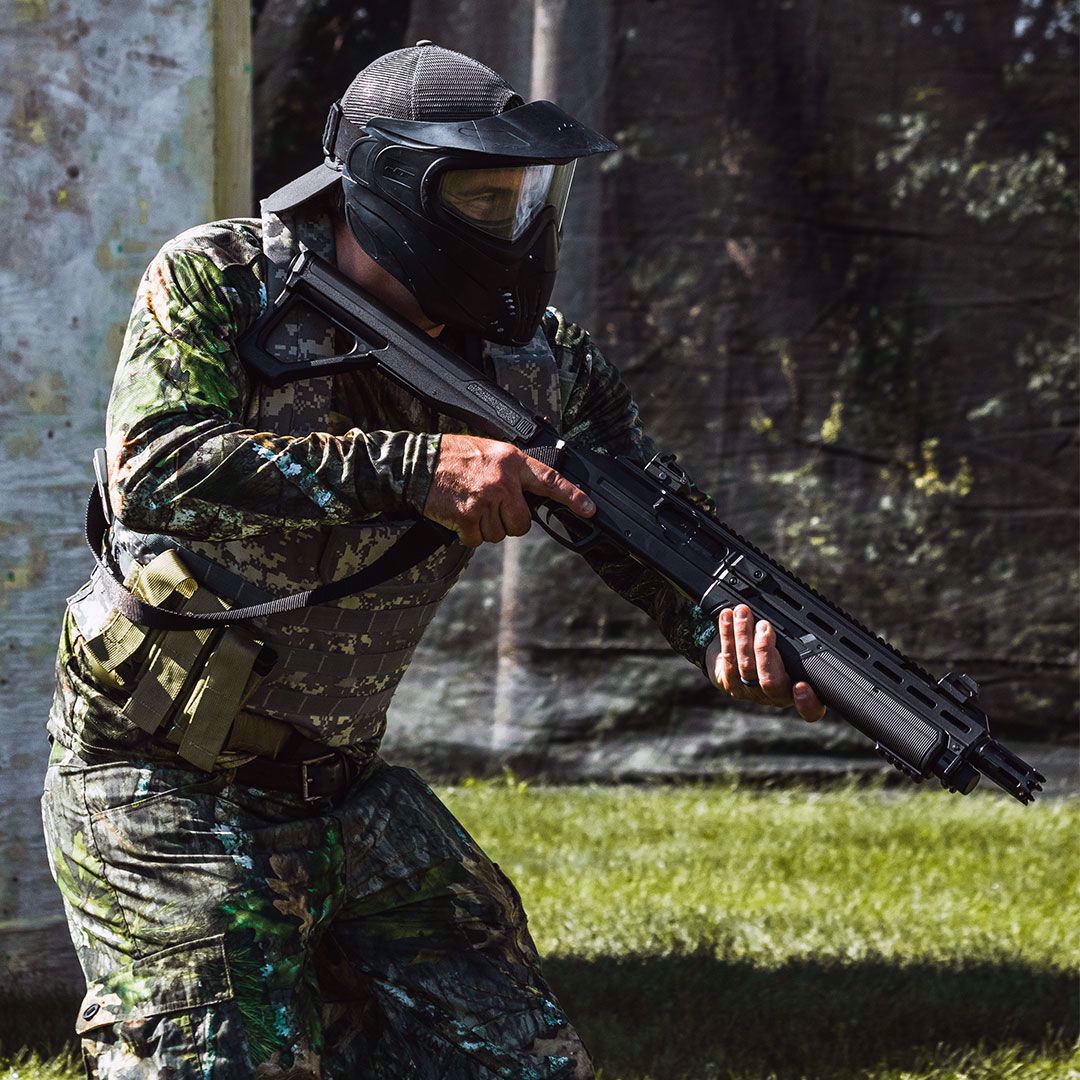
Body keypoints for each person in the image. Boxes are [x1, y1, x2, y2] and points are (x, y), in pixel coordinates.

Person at [41, 42, 825, 1079]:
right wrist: (417, 468)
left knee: (524, 1063)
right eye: (483, 199)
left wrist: (725, 634)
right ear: (391, 186)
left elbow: (649, 528)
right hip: (157, 779)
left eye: (524, 198)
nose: (512, 227)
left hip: (343, 788)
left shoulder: (541, 362)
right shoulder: (225, 280)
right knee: (217, 1057)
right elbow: (156, 468)